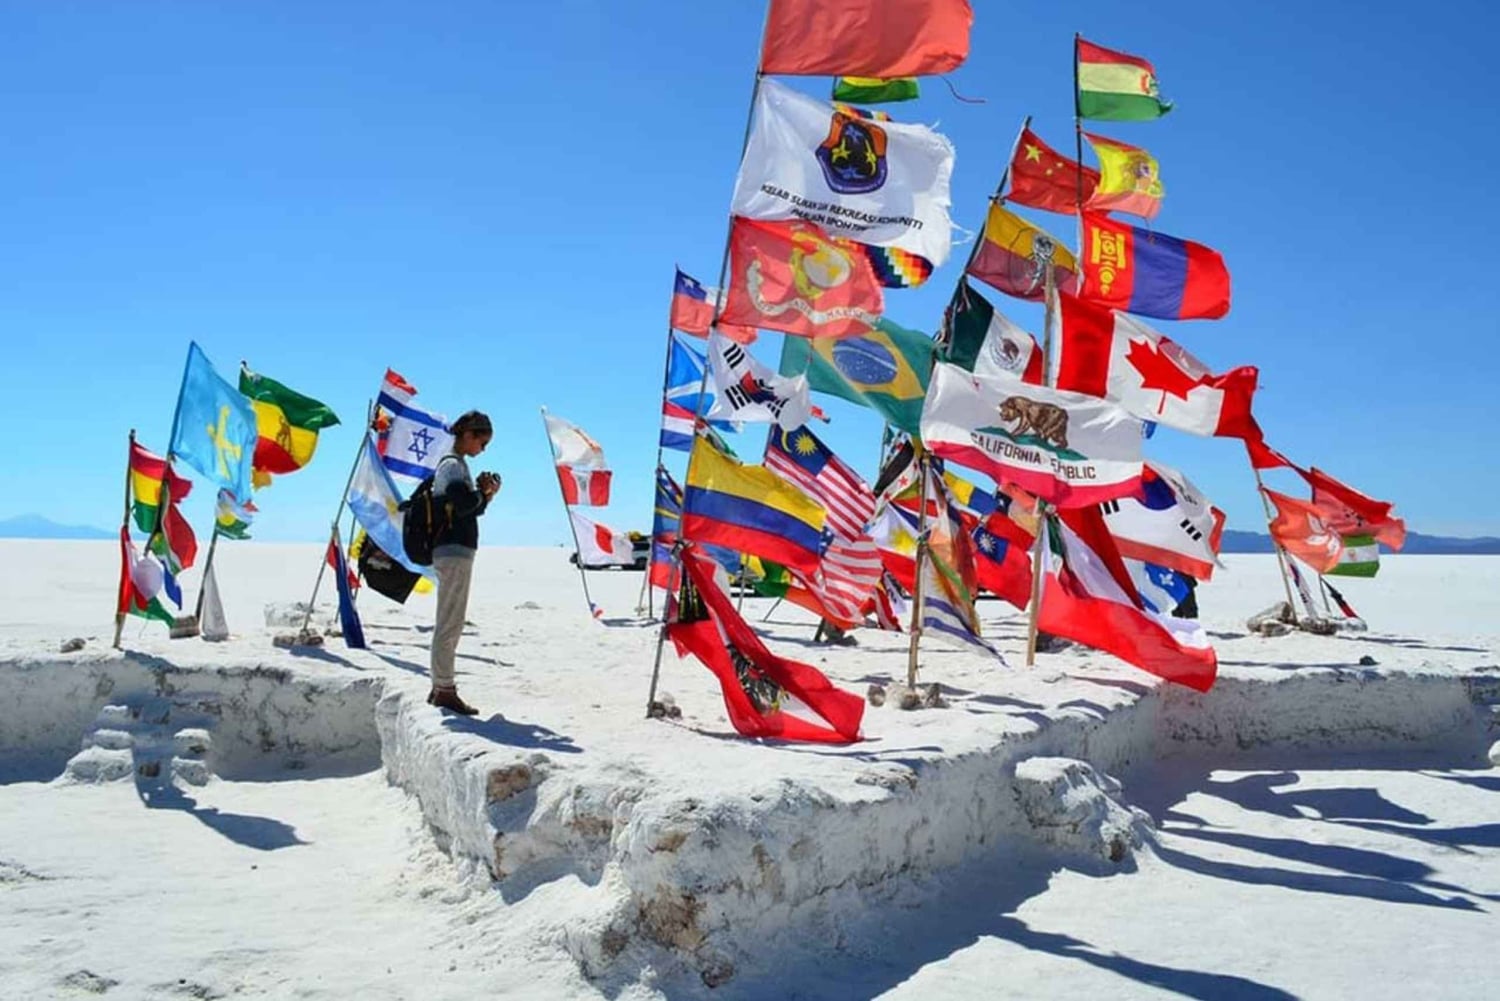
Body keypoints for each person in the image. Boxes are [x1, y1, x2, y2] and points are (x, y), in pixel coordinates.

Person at [427, 410, 500, 715]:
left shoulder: (454, 465)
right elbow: (464, 504)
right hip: (453, 551)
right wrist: (482, 494)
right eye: (482, 442)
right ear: (469, 435)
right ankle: (444, 689)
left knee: (449, 620)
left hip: (453, 550)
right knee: (450, 621)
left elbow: (467, 508)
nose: (482, 450)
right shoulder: (453, 466)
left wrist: (483, 496)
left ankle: (439, 687)